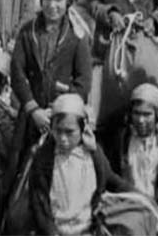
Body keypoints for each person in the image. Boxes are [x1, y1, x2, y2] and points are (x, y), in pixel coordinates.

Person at [10, 0, 92, 164]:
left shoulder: (77, 36)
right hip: (31, 115)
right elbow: (17, 72)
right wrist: (34, 110)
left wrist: (58, 110)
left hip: (64, 119)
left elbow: (83, 83)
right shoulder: (28, 32)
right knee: (20, 166)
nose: (52, 5)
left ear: (68, 1)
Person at [29, 93, 131, 236]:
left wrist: (140, 197)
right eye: (58, 131)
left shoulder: (92, 154)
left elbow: (111, 180)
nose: (63, 139)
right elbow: (38, 203)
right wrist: (51, 232)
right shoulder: (44, 158)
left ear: (82, 129)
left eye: (69, 132)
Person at [102, 83, 158, 209]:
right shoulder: (122, 140)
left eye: (147, 114)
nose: (141, 120)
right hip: (127, 205)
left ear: (157, 115)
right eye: (137, 113)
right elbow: (113, 178)